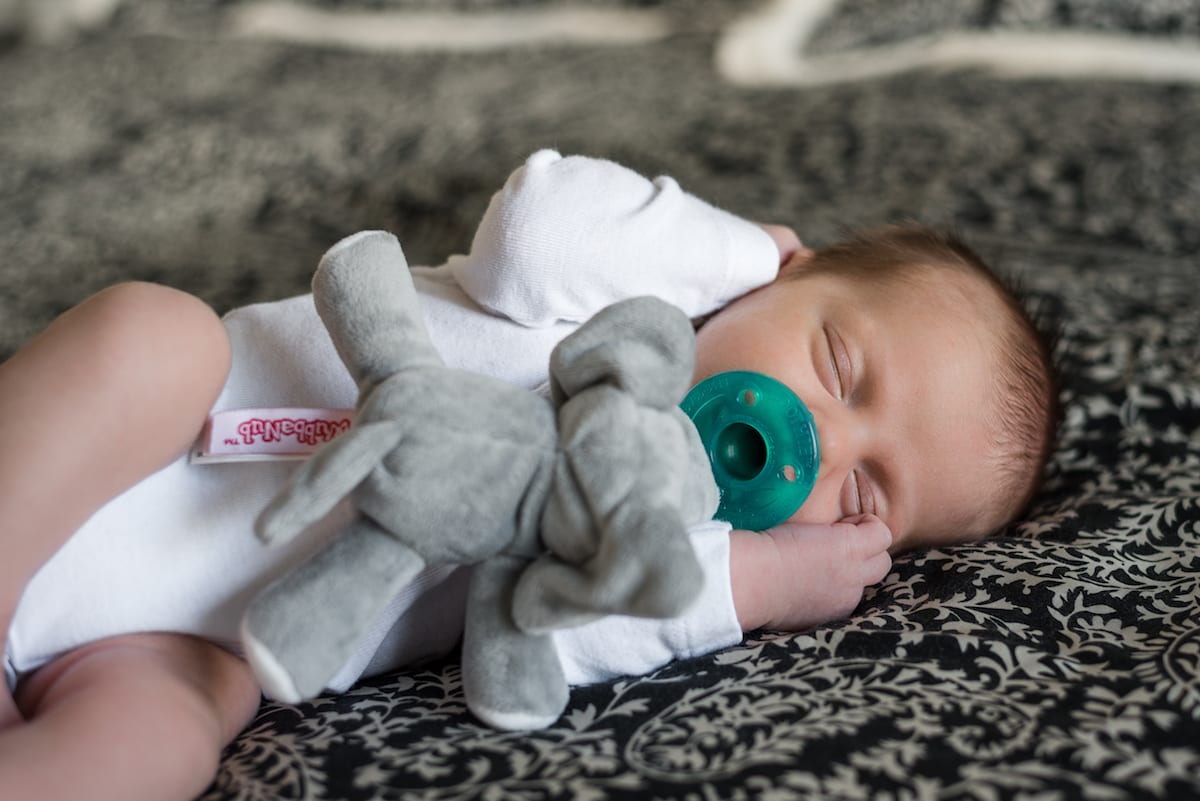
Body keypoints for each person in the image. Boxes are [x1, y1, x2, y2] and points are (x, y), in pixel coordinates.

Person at [0, 150, 1057, 801]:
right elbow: (531, 230)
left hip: (183, 635)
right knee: (154, 335)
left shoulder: (656, 534)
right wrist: (728, 251)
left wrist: (755, 584)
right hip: (141, 444)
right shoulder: (613, 294)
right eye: (835, 367)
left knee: (183, 729)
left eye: (867, 494)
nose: (817, 444)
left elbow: (561, 636)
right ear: (791, 271)